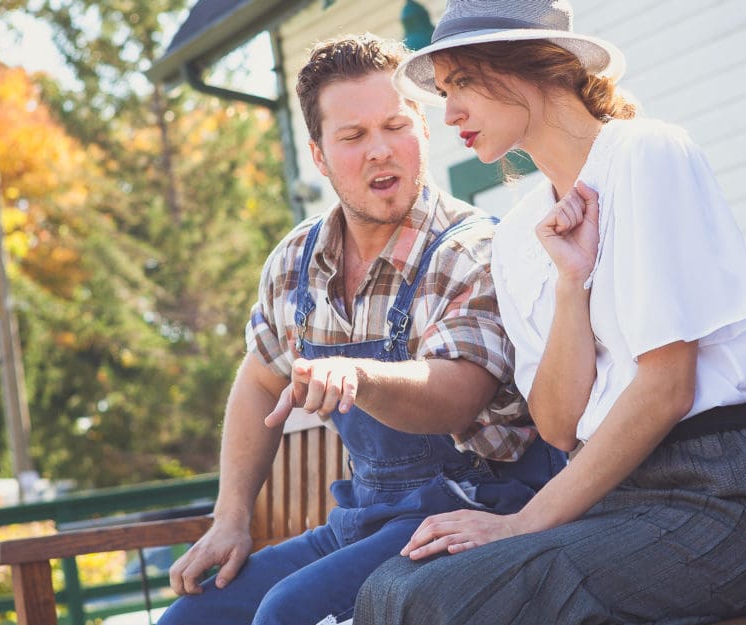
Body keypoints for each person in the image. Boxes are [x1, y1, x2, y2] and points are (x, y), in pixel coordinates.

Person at [354, 2, 746, 624]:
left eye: (461, 85)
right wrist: (572, 283)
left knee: (443, 600)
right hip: (607, 502)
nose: (449, 112)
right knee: (391, 587)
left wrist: (523, 523)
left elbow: (668, 387)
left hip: (719, 506)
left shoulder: (645, 153)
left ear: (530, 66)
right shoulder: (517, 236)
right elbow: (561, 427)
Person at [159, 33, 565, 625]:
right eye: (353, 136)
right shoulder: (295, 262)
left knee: (286, 614)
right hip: (365, 517)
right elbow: (257, 382)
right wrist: (230, 519)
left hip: (474, 511)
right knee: (191, 620)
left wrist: (357, 375)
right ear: (319, 156)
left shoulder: (474, 250)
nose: (381, 150)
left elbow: (456, 395)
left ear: (424, 132)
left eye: (396, 126)